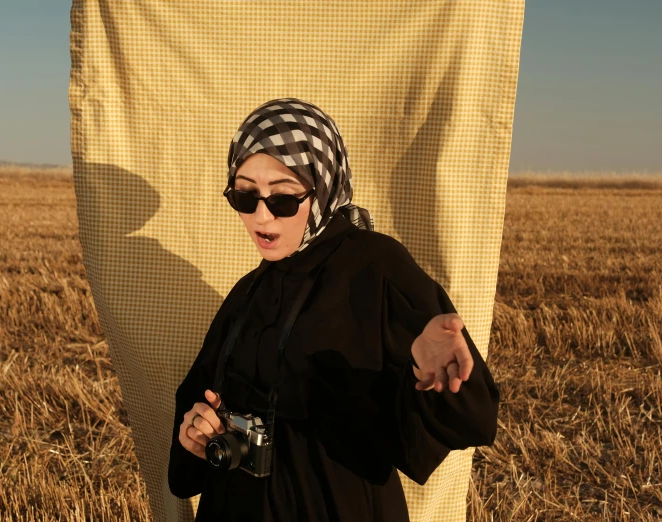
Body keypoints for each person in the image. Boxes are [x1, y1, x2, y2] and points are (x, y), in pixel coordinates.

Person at [168, 98, 499, 521]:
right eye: (245, 196)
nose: (261, 217)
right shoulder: (249, 293)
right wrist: (195, 434)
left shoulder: (376, 267)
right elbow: (193, 417)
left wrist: (440, 383)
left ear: (323, 186)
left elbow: (474, 419)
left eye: (284, 199)